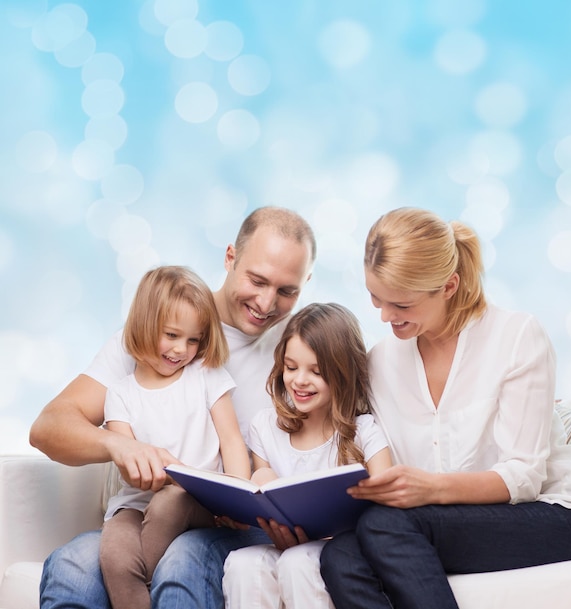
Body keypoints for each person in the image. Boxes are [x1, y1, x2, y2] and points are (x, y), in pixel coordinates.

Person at [318, 207, 571, 609]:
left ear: (449, 286)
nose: (386, 317)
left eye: (402, 305)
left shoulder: (516, 337)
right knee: (340, 557)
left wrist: (430, 488)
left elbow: (523, 476)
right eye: (376, 299)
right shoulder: (382, 361)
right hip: (433, 524)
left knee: (386, 526)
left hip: (552, 515)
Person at [30, 206, 316, 609]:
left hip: (231, 524)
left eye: (287, 291)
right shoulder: (153, 335)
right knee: (72, 565)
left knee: (182, 559)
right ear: (230, 257)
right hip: (144, 515)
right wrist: (119, 445)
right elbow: (48, 427)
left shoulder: (302, 351)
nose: (267, 302)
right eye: (257, 280)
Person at [222, 302, 392, 609]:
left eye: (316, 371)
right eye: (291, 367)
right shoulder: (265, 426)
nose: (299, 380)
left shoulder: (364, 431)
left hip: (341, 549)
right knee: (244, 562)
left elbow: (386, 509)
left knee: (299, 562)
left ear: (343, 374)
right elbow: (264, 497)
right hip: (282, 543)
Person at [99, 265, 251, 609]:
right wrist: (159, 467)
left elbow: (231, 440)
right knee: (114, 556)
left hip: (198, 502)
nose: (181, 349)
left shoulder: (206, 374)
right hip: (136, 503)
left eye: (193, 339)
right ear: (143, 325)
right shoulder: (120, 393)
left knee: (171, 501)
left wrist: (238, 497)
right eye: (171, 335)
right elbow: (128, 466)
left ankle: (152, 582)